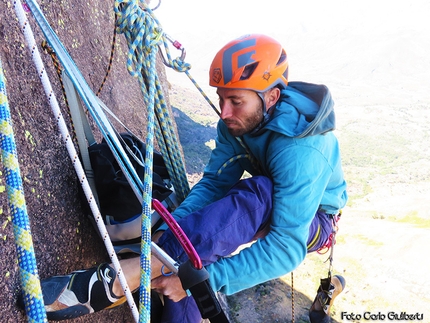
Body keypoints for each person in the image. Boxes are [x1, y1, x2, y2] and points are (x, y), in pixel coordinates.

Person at [23, 34, 348, 322]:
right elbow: (214, 184)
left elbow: (284, 249)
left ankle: (127, 276)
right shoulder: (234, 123)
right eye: (222, 98)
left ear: (272, 97)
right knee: (187, 252)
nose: (224, 112)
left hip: (314, 220)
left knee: (259, 192)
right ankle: (160, 277)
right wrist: (170, 229)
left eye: (236, 101)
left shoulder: (303, 150)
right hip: (267, 203)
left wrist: (207, 278)